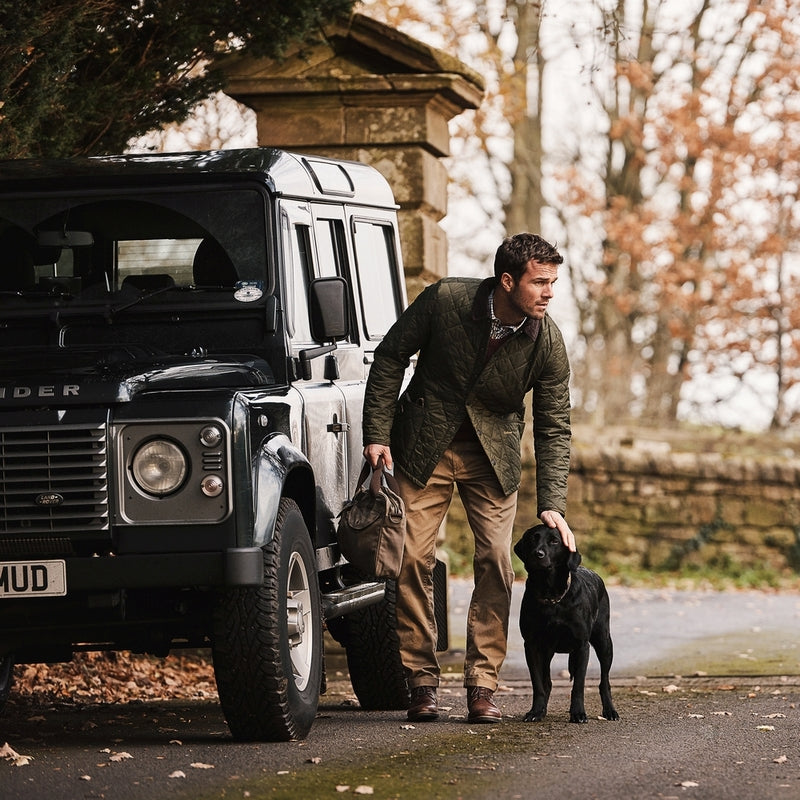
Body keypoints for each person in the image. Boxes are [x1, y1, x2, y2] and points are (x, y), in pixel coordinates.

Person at [362, 232, 575, 725]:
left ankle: (483, 685)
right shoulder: (445, 300)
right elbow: (391, 356)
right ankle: (420, 682)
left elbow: (554, 424)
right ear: (507, 280)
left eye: (553, 283)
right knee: (412, 558)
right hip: (421, 448)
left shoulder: (547, 340)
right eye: (540, 282)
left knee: (497, 559)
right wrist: (378, 432)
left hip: (493, 457)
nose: (549, 292)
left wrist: (552, 503)